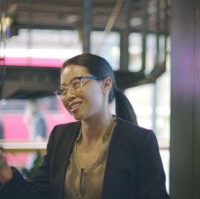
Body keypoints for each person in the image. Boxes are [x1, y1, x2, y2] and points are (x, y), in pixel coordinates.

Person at [0, 53, 169, 199]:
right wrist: (7, 175)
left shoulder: (139, 140)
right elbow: (40, 195)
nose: (69, 96)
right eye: (63, 90)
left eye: (76, 84)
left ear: (106, 84)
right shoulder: (61, 136)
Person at [23, 99, 48, 170]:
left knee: (32, 166)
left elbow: (39, 138)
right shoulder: (36, 117)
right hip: (35, 148)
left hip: (36, 148)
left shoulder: (39, 118)